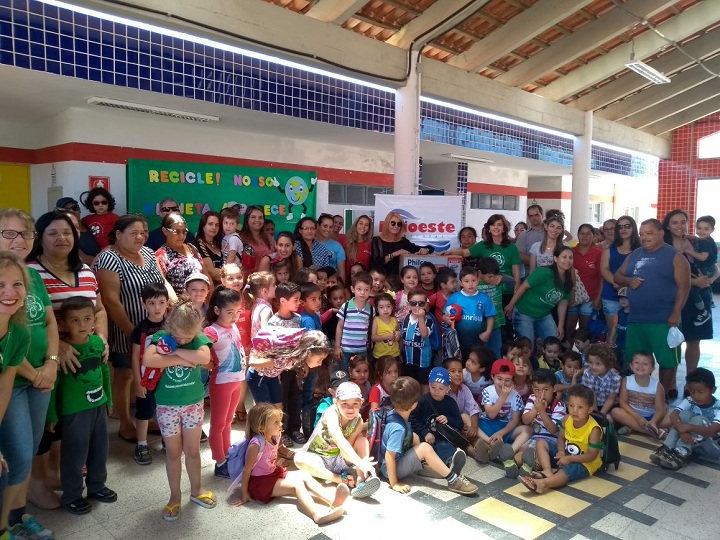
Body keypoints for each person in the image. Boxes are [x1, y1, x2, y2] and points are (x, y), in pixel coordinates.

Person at [0, 209, 60, 534]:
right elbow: (7, 338)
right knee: (18, 454)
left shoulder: (32, 275)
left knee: (31, 448)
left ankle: (19, 515)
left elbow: (49, 321)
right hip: (14, 380)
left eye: (25, 234)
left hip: (41, 377)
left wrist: (50, 362)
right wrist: (33, 372)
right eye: (9, 233)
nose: (18, 240)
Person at [94, 215, 173, 442]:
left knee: (153, 372)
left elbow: (163, 283)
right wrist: (134, 333)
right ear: (118, 235)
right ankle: (125, 422)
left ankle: (147, 418)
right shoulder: (108, 259)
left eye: (143, 232)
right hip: (125, 329)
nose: (140, 236)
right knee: (126, 373)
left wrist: (174, 305)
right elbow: (110, 301)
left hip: (156, 328)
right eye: (133, 232)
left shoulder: (148, 253)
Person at [142, 300, 215, 521]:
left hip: (193, 403)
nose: (182, 340)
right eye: (178, 337)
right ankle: (174, 497)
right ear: (170, 328)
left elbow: (204, 358)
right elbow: (148, 359)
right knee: (173, 453)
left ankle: (197, 490)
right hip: (167, 406)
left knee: (193, 451)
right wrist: (181, 356)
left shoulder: (199, 338)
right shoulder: (160, 338)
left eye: (188, 338)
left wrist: (169, 358)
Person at [231, 403, 349, 524]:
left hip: (272, 474)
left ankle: (333, 501)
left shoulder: (275, 435)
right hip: (259, 483)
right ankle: (317, 515)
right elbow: (247, 469)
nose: (281, 424)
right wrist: (244, 493)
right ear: (261, 428)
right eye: (275, 422)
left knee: (304, 475)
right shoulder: (255, 444)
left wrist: (285, 459)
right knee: (296, 485)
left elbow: (275, 452)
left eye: (280, 421)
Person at [51, 297, 116, 515]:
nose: (82, 325)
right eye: (75, 320)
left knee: (100, 450)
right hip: (73, 412)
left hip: (98, 407)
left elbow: (104, 371)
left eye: (87, 319)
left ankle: (97, 486)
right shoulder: (62, 351)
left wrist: (109, 399)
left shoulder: (98, 343)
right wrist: (52, 414)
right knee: (74, 455)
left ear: (94, 321)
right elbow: (53, 384)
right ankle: (72, 496)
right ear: (63, 324)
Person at [615, 218, 690, 398]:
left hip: (663, 319)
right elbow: (618, 276)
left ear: (661, 233)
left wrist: (676, 312)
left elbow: (684, 287)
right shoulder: (635, 254)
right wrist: (629, 281)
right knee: (637, 360)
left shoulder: (675, 256)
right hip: (636, 319)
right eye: (641, 234)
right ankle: (641, 397)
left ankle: (660, 399)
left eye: (649, 233)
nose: (644, 238)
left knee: (667, 361)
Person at [379, 377, 477, 495]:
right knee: (424, 448)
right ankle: (452, 479)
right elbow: (389, 456)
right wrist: (394, 483)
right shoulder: (398, 428)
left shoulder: (395, 413)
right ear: (414, 405)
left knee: (415, 437)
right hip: (392, 469)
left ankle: (431, 467)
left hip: (397, 459)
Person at [0, 252, 37, 538]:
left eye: (17, 284)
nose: (10, 293)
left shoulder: (19, 333)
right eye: (0, 285)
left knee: (18, 459)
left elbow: (4, 387)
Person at [294, 381, 380, 498]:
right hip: (319, 457)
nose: (350, 409)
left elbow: (347, 445)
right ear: (336, 402)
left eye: (355, 404)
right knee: (299, 459)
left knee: (362, 440)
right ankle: (339, 479)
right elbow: (340, 441)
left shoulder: (358, 420)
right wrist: (359, 462)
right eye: (345, 404)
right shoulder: (331, 413)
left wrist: (359, 462)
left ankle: (361, 480)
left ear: (361, 403)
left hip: (339, 457)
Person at [663, 209, 717, 393]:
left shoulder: (696, 242)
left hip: (699, 298)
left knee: (694, 341)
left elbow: (713, 266)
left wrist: (709, 280)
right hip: (674, 298)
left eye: (683, 222)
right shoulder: (663, 245)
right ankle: (670, 383)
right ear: (668, 226)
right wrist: (695, 281)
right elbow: (664, 275)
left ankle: (691, 383)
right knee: (673, 340)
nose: (680, 226)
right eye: (675, 222)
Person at [519, 384, 602, 494]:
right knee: (541, 443)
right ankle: (547, 471)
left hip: (585, 462)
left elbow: (591, 456)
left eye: (580, 407)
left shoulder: (594, 429)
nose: (574, 410)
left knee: (566, 471)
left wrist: (570, 459)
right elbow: (561, 438)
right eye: (571, 406)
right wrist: (561, 451)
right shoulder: (567, 419)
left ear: (590, 409)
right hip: (568, 453)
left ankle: (543, 484)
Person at [203, 287, 246, 478]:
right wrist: (209, 363)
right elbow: (198, 346)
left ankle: (228, 453)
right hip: (221, 382)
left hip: (236, 381)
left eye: (238, 311)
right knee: (218, 423)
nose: (235, 316)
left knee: (229, 421)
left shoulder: (233, 326)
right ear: (217, 310)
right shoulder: (212, 331)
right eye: (230, 312)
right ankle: (220, 462)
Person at [650, 368, 720, 470]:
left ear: (713, 390)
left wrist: (688, 427)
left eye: (701, 392)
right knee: (684, 414)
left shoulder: (718, 407)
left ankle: (680, 454)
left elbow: (712, 431)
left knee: (700, 419)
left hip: (712, 447)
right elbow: (673, 414)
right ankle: (667, 448)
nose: (695, 395)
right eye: (691, 391)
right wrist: (683, 432)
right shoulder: (690, 400)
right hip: (690, 442)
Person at [130, 282, 168, 466]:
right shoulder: (140, 328)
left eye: (161, 302)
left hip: (167, 379)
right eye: (152, 303)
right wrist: (137, 381)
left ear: (167, 303)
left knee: (165, 410)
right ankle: (142, 444)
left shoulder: (171, 325)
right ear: (144, 305)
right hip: (147, 379)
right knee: (144, 412)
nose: (157, 307)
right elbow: (135, 356)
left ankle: (167, 439)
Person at [504, 245, 574, 343]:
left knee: (553, 343)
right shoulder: (544, 272)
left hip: (544, 314)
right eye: (564, 257)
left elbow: (563, 304)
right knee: (527, 345)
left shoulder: (568, 280)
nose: (567, 260)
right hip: (524, 312)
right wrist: (511, 304)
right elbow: (524, 286)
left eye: (570, 258)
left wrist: (560, 325)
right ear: (556, 259)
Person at [442, 214, 521, 295]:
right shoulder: (483, 245)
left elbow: (516, 273)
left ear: (504, 228)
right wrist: (450, 252)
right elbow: (464, 252)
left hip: (507, 292)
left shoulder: (512, 247)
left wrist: (516, 293)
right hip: (487, 292)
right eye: (493, 225)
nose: (496, 227)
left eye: (499, 225)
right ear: (489, 229)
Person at [477, 360, 531, 476]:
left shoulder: (515, 396)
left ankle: (508, 452)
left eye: (507, 380)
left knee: (527, 430)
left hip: (505, 428)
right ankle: (490, 444)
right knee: (469, 421)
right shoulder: (488, 391)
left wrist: (501, 433)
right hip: (487, 425)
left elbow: (514, 420)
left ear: (512, 380)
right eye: (499, 379)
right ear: (493, 377)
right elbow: (491, 414)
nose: (503, 383)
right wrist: (502, 397)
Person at [410, 366, 473, 463]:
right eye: (433, 387)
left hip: (444, 438)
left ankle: (451, 461)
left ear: (448, 388)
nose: (436, 391)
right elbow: (412, 419)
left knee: (445, 446)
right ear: (429, 385)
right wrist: (425, 432)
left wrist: (448, 419)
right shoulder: (422, 401)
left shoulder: (451, 402)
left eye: (441, 388)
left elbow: (459, 423)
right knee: (426, 448)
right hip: (425, 437)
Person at [600, 215, 640, 343]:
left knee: (633, 333)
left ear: (633, 228)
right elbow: (604, 269)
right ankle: (612, 362)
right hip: (611, 295)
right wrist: (617, 283)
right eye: (620, 227)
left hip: (635, 295)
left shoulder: (641, 250)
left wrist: (626, 287)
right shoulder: (609, 250)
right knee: (613, 333)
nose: (623, 229)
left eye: (627, 226)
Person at [520, 369, 566, 478]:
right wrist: (535, 410)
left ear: (554, 389)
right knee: (522, 451)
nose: (541, 394)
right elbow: (525, 420)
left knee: (540, 445)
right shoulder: (532, 399)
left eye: (546, 390)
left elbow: (553, 430)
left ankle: (544, 470)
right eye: (537, 390)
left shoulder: (559, 405)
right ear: (532, 389)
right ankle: (513, 465)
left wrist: (541, 411)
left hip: (551, 443)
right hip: (534, 438)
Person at [610, 351, 666, 437]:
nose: (640, 366)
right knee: (615, 412)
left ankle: (636, 427)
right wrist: (638, 418)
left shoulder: (657, 386)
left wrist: (653, 421)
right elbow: (623, 403)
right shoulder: (626, 381)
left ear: (652, 369)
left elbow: (660, 409)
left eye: (645, 364)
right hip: (632, 415)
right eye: (636, 362)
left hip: (651, 417)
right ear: (631, 366)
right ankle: (651, 432)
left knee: (671, 417)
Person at [446, 266, 496, 360]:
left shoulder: (484, 298)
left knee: (476, 361)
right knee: (459, 362)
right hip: (458, 340)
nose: (470, 284)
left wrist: (488, 331)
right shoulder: (455, 297)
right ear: (461, 283)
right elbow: (445, 314)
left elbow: (490, 316)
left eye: (473, 280)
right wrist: (447, 319)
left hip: (477, 339)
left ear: (478, 280)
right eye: (466, 281)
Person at [155, 213, 207, 296]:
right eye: (177, 232)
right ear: (165, 231)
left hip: (199, 304)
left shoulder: (192, 248)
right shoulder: (161, 255)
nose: (182, 236)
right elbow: (163, 286)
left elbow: (206, 276)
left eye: (184, 231)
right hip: (178, 305)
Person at [370, 211, 433, 277]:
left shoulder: (403, 241)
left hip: (399, 281)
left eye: (399, 224)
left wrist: (426, 250)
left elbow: (420, 249)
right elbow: (375, 263)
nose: (396, 226)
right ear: (387, 224)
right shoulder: (377, 240)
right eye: (393, 223)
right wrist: (393, 254)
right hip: (382, 280)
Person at [569, 223, 603, 337]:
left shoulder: (598, 253)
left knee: (585, 333)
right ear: (578, 235)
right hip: (572, 297)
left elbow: (602, 277)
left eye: (588, 234)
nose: (585, 236)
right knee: (569, 330)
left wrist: (598, 298)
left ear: (593, 236)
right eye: (582, 233)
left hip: (590, 298)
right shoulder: (570, 252)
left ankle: (583, 354)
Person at [335, 271, 374, 370]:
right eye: (359, 289)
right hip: (345, 349)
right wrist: (337, 347)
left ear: (370, 291)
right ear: (352, 289)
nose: (362, 292)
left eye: (366, 290)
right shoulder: (346, 306)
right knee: (344, 374)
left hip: (362, 349)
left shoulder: (371, 309)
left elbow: (370, 329)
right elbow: (339, 327)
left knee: (361, 375)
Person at [399, 289, 435, 391]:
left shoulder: (428, 319)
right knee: (409, 386)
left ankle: (423, 405)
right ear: (408, 304)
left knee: (424, 386)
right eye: (413, 303)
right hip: (408, 360)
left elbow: (424, 334)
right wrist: (400, 353)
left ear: (426, 304)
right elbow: (402, 338)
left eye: (421, 303)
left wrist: (420, 318)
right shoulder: (406, 319)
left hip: (423, 361)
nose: (417, 306)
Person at [684, 215, 717, 325]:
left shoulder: (706, 243)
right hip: (708, 268)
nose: (701, 231)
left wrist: (689, 251)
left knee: (692, 289)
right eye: (699, 228)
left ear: (712, 230)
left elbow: (703, 257)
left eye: (706, 229)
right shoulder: (704, 239)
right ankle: (711, 299)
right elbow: (697, 238)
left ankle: (702, 312)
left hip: (707, 269)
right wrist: (688, 236)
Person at [55, 196, 100, 264]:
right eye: (67, 209)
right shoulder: (65, 235)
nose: (72, 211)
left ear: (79, 210)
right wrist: (104, 262)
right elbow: (81, 258)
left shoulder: (90, 226)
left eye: (75, 207)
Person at [580, 343, 621, 415]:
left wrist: (601, 414)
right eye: (591, 362)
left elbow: (611, 399)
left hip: (609, 405)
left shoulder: (615, 378)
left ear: (608, 364)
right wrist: (596, 415)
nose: (593, 366)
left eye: (598, 364)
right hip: (592, 403)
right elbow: (591, 395)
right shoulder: (587, 373)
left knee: (609, 418)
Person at [239, 205, 276, 274]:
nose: (257, 220)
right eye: (253, 217)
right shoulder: (240, 238)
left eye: (260, 217)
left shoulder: (269, 238)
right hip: (248, 280)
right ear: (247, 219)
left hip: (268, 279)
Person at [193, 210, 223, 284]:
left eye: (217, 225)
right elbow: (211, 272)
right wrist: (233, 274)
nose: (214, 227)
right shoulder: (197, 245)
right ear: (203, 226)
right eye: (210, 224)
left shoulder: (222, 242)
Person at [515, 204, 545, 274]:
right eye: (531, 216)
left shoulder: (550, 232)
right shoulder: (523, 235)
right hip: (530, 274)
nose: (534, 218)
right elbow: (519, 255)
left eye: (536, 215)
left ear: (542, 215)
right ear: (528, 218)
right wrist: (541, 262)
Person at [371, 292, 400, 361]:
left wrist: (398, 335)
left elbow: (397, 334)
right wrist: (386, 337)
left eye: (388, 306)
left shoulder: (394, 320)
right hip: (380, 355)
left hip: (394, 354)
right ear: (377, 309)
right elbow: (373, 337)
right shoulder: (376, 320)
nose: (385, 310)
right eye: (381, 307)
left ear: (392, 307)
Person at [316, 214, 346, 281]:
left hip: (331, 284)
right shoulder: (311, 244)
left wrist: (341, 288)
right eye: (325, 226)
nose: (328, 229)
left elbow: (341, 271)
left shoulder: (337, 246)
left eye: (330, 227)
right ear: (318, 226)